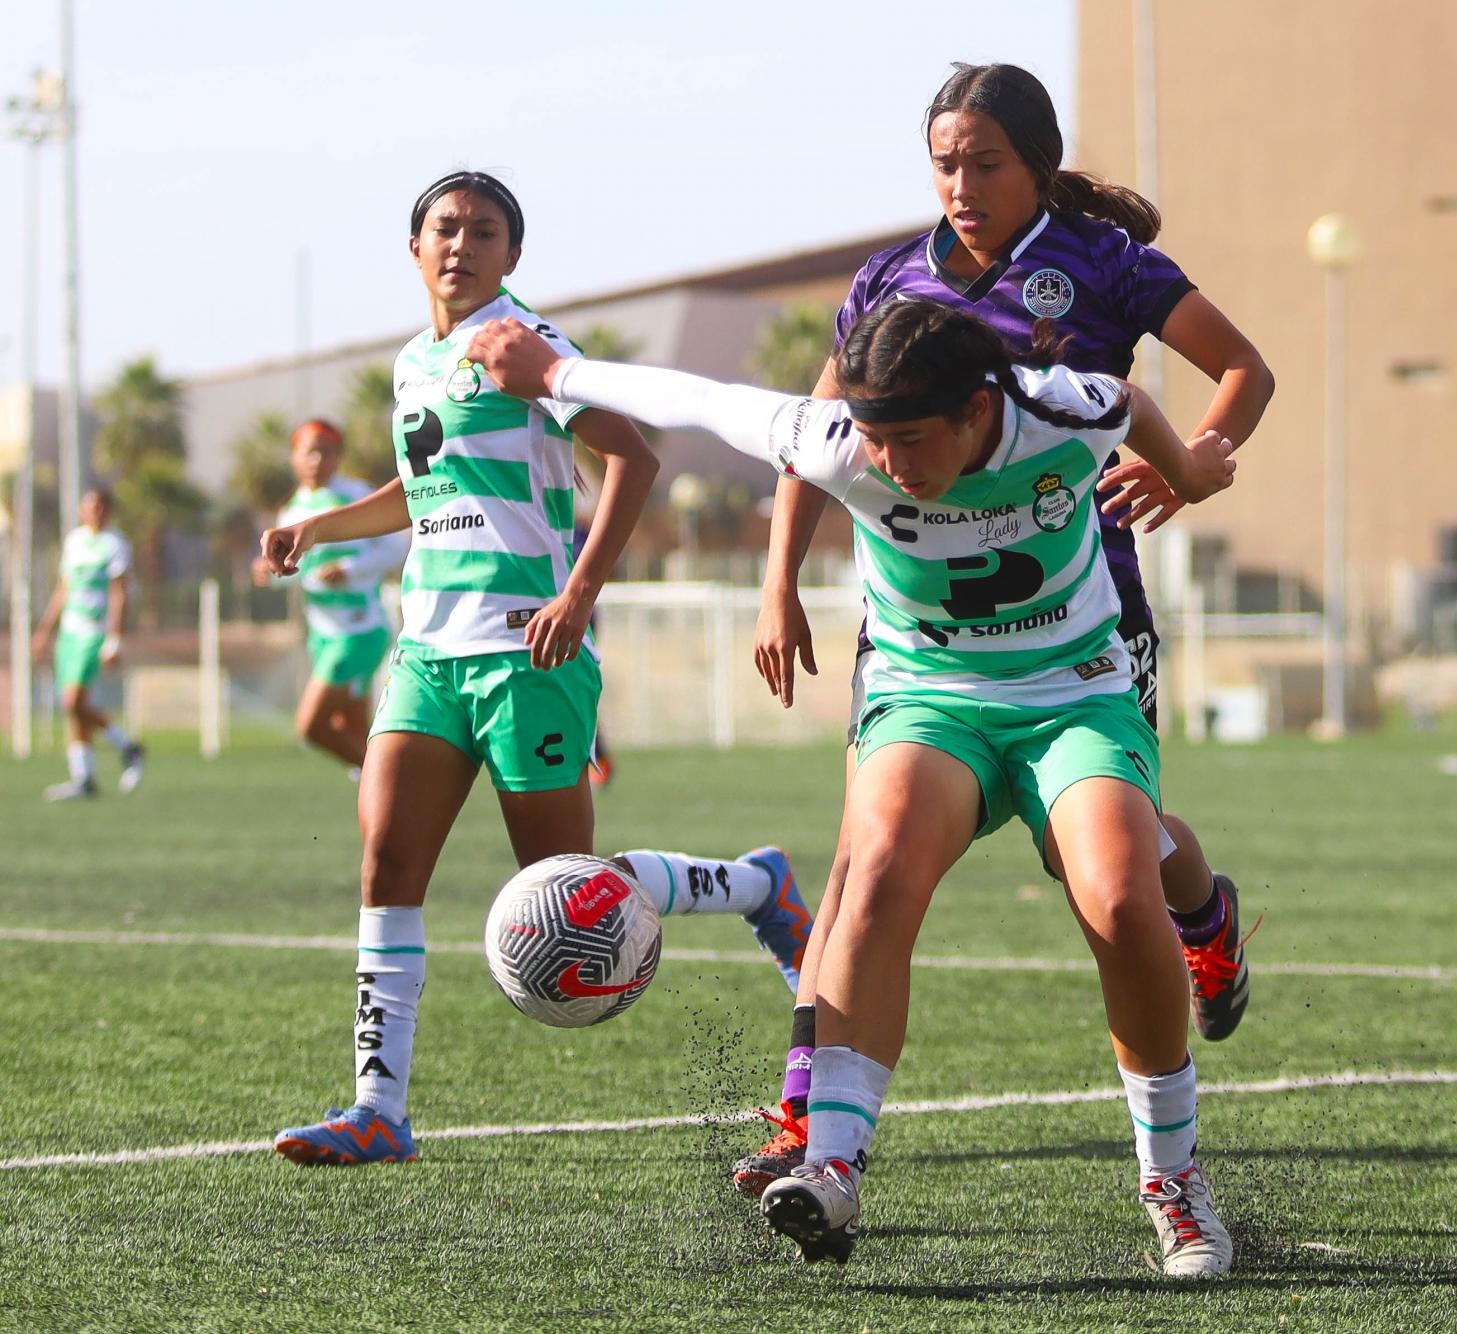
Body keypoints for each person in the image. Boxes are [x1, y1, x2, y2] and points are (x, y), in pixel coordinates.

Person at [469, 296, 1241, 1275]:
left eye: (912, 441)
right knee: (871, 875)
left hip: (1071, 694)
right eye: (875, 442)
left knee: (1121, 894)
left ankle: (1170, 1180)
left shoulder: (1063, 408)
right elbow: (700, 399)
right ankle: (830, 1169)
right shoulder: (836, 441)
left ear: (977, 409)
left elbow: (1129, 400)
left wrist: (1188, 469)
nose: (889, 466)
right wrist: (551, 374)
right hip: (928, 699)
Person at [741, 62, 1275, 1195]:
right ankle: (809, 1123)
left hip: (1083, 606)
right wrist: (777, 577)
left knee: (1101, 861)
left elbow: (1240, 369)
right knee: (861, 860)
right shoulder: (888, 279)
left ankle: (1203, 910)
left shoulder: (1104, 265)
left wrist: (1179, 474)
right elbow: (818, 430)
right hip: (924, 628)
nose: (961, 185)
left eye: (984, 162)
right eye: (943, 164)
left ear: (1036, 162)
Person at [262, 171, 811, 1167]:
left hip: (529, 651)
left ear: (513, 255)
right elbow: (422, 485)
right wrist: (319, 524)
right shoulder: (411, 363)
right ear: (414, 247)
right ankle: (378, 1107)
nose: (460, 244)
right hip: (429, 652)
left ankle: (754, 886)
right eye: (443, 228)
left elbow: (632, 458)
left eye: (483, 231)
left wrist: (581, 592)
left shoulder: (530, 345)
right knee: (386, 862)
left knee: (564, 889)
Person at [253, 420, 407, 770]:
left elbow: (395, 549)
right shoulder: (291, 511)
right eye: (310, 450)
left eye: (328, 451)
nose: (318, 459)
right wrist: (270, 573)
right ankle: (387, 805)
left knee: (311, 727)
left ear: (339, 457)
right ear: (294, 457)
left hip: (359, 630)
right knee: (352, 730)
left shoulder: (354, 494)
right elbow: (296, 576)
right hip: (323, 634)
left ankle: (393, 787)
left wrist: (349, 570)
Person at [32, 485, 145, 800]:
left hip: (94, 632)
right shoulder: (75, 541)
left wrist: (114, 640)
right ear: (82, 509)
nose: (94, 511)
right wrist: (44, 631)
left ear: (108, 511)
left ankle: (128, 747)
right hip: (70, 633)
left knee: (71, 701)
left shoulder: (115, 545)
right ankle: (84, 778)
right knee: (75, 708)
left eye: (100, 506)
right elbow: (63, 589)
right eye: (89, 505)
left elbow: (120, 593)